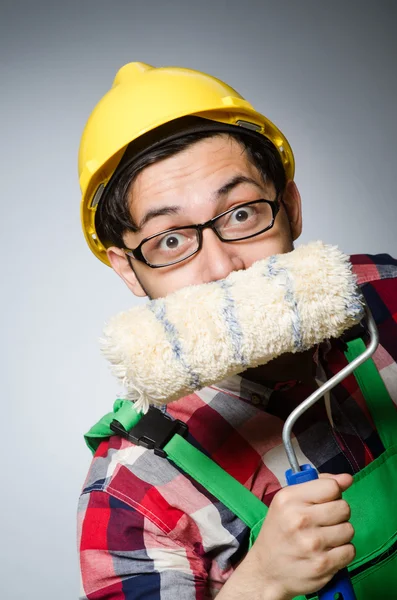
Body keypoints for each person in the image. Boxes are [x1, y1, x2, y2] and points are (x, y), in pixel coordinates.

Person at [77, 62, 397, 600]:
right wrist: (261, 583)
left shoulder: (386, 295)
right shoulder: (133, 492)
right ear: (128, 269)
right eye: (171, 241)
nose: (224, 267)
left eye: (243, 214)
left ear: (291, 209)